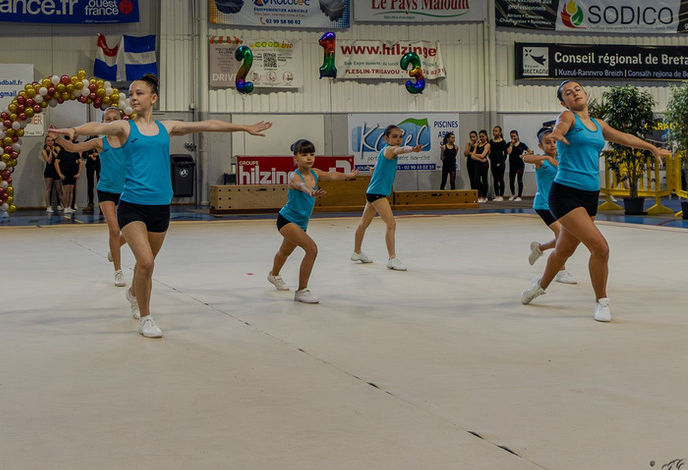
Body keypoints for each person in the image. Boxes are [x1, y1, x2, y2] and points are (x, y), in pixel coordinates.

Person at [50, 73, 271, 339]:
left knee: (145, 265)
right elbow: (96, 127)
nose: (133, 97)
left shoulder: (167, 128)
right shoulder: (124, 127)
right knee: (146, 262)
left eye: (139, 93)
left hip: (160, 207)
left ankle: (133, 294)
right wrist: (75, 131)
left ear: (153, 98)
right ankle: (146, 318)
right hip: (132, 205)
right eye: (131, 93)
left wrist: (244, 128)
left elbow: (207, 124)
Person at [520, 80, 670, 322]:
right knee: (600, 247)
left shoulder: (598, 124)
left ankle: (539, 286)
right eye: (568, 93)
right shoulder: (567, 117)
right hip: (565, 193)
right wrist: (557, 134)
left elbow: (625, 137)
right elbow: (560, 127)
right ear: (564, 102)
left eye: (577, 89)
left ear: (585, 93)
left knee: (564, 249)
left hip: (590, 195)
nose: (574, 93)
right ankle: (601, 301)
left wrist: (651, 148)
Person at [267, 139, 358, 304]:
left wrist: (348, 176)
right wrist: (311, 191)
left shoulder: (315, 172)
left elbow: (332, 175)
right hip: (287, 219)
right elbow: (301, 185)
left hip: (301, 223)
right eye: (304, 155)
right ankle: (302, 291)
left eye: (311, 154)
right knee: (312, 249)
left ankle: (273, 275)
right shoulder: (294, 176)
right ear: (295, 158)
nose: (309, 158)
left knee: (284, 253)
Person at [54, 107, 128, 287]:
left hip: (126, 190)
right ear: (102, 123)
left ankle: (115, 247)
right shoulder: (99, 142)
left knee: (129, 231)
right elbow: (73, 148)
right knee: (114, 230)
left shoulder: (129, 141)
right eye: (108, 119)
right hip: (106, 190)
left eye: (115, 118)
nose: (111, 121)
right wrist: (57, 139)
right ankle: (118, 271)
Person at [351, 124, 423, 271]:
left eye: (400, 137)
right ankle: (392, 259)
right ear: (386, 138)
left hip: (372, 192)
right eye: (394, 137)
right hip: (377, 193)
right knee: (391, 224)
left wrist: (374, 170)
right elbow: (399, 150)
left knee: (364, 223)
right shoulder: (390, 149)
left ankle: (357, 252)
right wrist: (412, 149)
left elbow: (378, 167)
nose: (398, 140)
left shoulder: (384, 151)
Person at [522, 126, 576, 285]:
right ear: (541, 146)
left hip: (559, 205)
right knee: (561, 234)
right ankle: (561, 271)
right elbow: (525, 158)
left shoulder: (561, 159)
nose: (552, 145)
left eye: (554, 142)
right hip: (544, 205)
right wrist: (546, 158)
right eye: (547, 142)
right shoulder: (541, 161)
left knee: (568, 237)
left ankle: (540, 248)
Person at [54, 136, 81, 217]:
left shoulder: (74, 151)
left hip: (73, 173)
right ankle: (65, 206)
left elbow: (80, 163)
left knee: (71, 190)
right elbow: (56, 163)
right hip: (65, 173)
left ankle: (69, 206)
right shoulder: (62, 152)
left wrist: (79, 173)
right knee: (66, 191)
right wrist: (60, 174)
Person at [507, 129, 530, 201]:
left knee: (519, 180)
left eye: (514, 136)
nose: (513, 138)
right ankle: (513, 194)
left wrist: (523, 155)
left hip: (520, 164)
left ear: (517, 136)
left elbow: (530, 152)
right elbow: (509, 153)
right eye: (511, 136)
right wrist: (511, 144)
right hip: (512, 164)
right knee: (511, 180)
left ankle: (519, 196)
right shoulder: (509, 144)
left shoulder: (522, 144)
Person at [41, 135, 62, 213]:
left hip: (57, 170)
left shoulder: (58, 148)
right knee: (48, 189)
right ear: (45, 142)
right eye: (48, 141)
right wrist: (50, 152)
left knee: (59, 189)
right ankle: (48, 206)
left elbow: (59, 158)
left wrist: (53, 151)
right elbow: (49, 161)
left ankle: (61, 205)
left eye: (52, 140)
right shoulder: (44, 151)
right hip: (49, 171)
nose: (50, 142)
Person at [489, 125, 508, 201]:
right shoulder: (491, 141)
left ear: (500, 132)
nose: (494, 132)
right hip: (493, 161)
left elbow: (505, 153)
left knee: (501, 178)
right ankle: (497, 195)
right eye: (493, 131)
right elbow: (490, 152)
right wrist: (491, 158)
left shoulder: (503, 142)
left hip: (501, 162)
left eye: (496, 131)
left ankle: (501, 195)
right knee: (495, 179)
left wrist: (502, 161)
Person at [82, 139, 101, 214]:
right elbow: (83, 155)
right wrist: (89, 155)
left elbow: (106, 152)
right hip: (90, 165)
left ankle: (101, 204)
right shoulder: (87, 141)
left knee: (100, 185)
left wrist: (98, 154)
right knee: (90, 185)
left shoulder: (101, 141)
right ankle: (90, 203)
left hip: (99, 164)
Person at [471, 129, 490, 202]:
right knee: (476, 180)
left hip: (484, 164)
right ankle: (480, 195)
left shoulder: (487, 145)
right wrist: (479, 159)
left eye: (483, 136)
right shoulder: (478, 144)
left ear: (486, 137)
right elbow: (472, 156)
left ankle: (484, 196)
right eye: (480, 137)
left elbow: (482, 155)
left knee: (484, 179)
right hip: (478, 163)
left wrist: (476, 155)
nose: (481, 138)